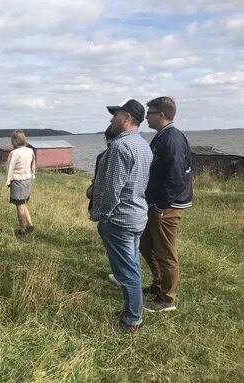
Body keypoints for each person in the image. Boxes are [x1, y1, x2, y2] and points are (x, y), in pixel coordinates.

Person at [90, 98, 152, 332]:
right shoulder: (143, 145)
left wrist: (103, 215)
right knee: (132, 266)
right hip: (136, 215)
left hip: (120, 219)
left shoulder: (119, 146)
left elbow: (112, 188)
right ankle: (131, 310)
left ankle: (133, 319)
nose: (111, 119)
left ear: (126, 118)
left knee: (127, 272)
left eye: (115, 115)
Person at [140, 97, 193, 313]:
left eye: (149, 113)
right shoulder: (162, 137)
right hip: (156, 204)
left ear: (161, 115)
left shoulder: (171, 139)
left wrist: (161, 205)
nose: (146, 117)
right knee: (146, 245)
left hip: (167, 207)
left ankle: (167, 298)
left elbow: (176, 176)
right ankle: (158, 283)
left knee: (165, 251)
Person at [86, 125, 120, 286]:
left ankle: (122, 276)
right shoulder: (141, 149)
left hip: (111, 209)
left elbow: (103, 184)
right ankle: (123, 275)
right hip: (134, 210)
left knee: (115, 245)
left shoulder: (104, 156)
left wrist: (102, 211)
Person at [5, 130, 36, 235]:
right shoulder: (30, 151)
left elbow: (9, 167)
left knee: (19, 205)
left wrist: (8, 181)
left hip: (17, 180)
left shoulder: (14, 153)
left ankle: (22, 229)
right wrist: (33, 174)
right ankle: (30, 225)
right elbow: (33, 163)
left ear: (14, 141)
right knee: (24, 203)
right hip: (27, 179)